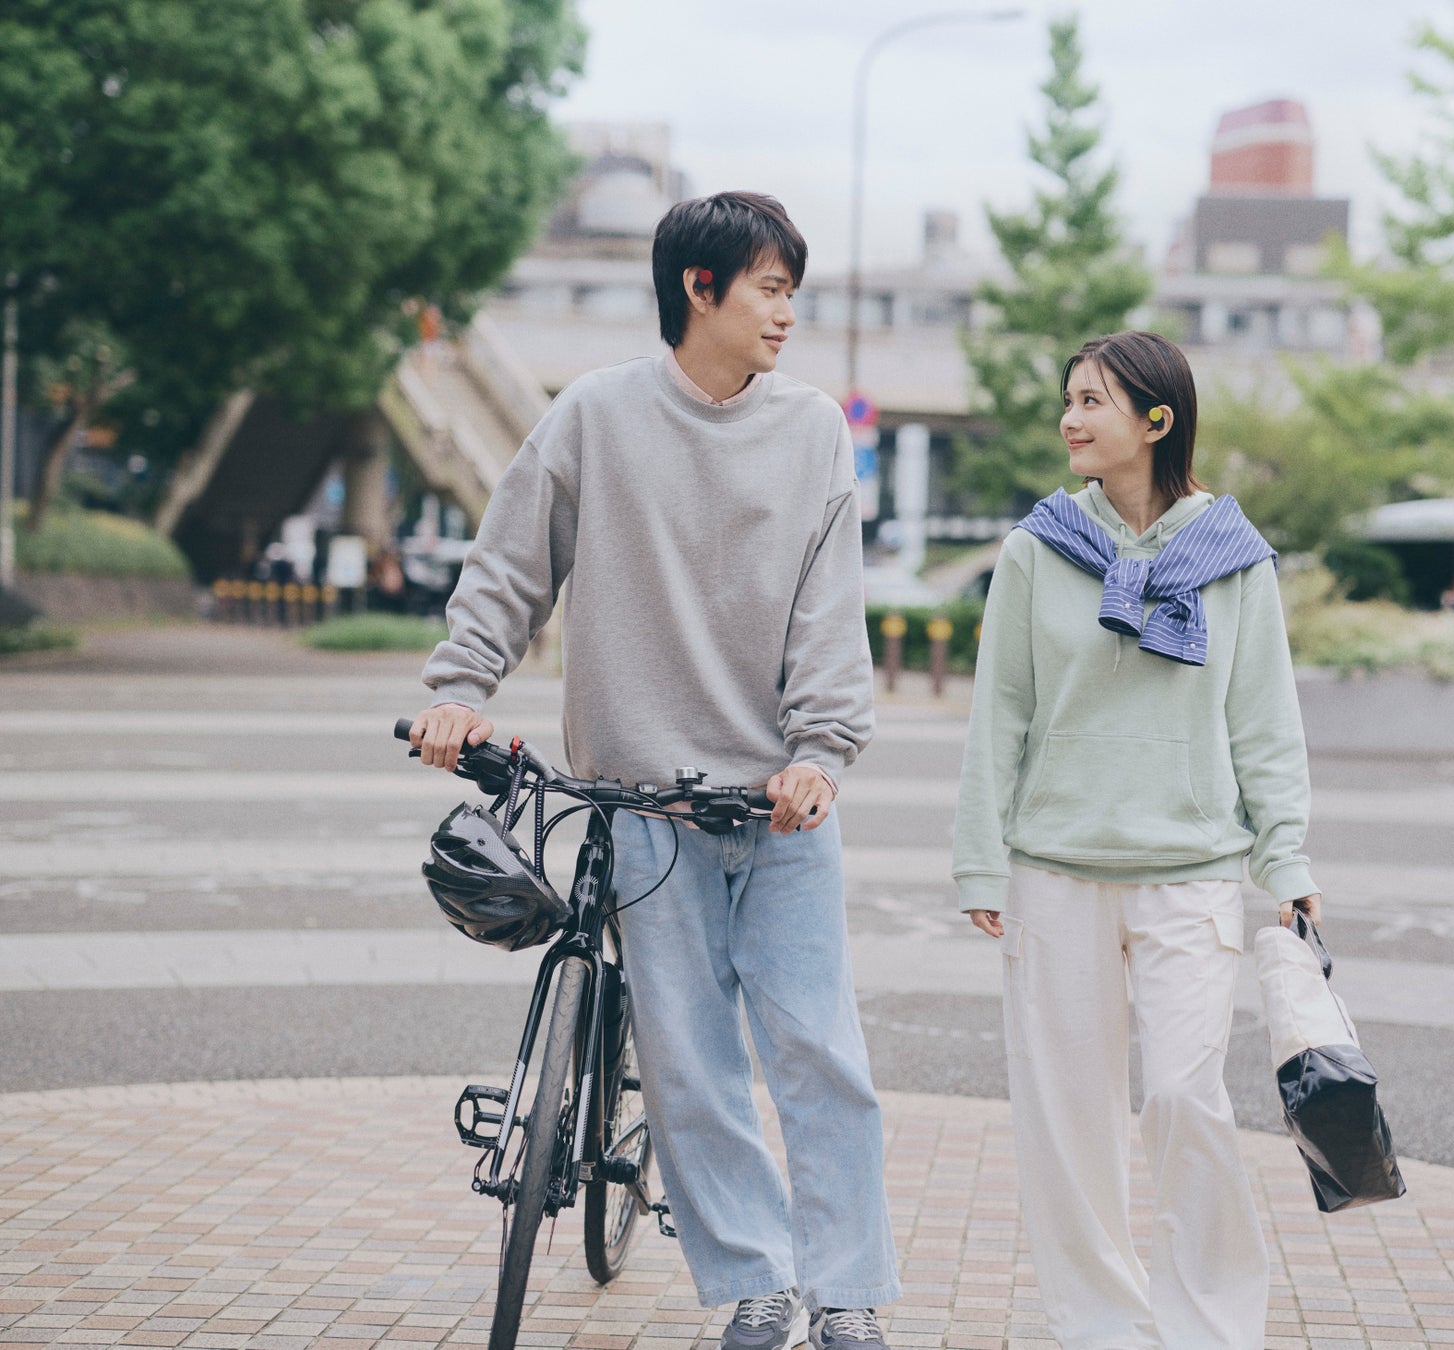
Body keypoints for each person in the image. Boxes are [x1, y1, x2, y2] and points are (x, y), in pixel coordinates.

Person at [410, 191, 900, 1350]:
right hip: (645, 809)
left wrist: (823, 751)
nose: (787, 311)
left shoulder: (813, 430)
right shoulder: (595, 417)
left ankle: (844, 1299)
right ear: (701, 287)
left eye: (792, 289)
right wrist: (458, 689)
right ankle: (756, 1283)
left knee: (823, 1055)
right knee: (690, 1066)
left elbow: (832, 613)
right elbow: (509, 562)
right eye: (771, 287)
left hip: (784, 807)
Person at [952, 331, 1322, 1349]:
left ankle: (1211, 1326)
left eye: (1093, 401)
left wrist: (1285, 859)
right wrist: (981, 856)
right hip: (1054, 871)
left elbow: (1265, 721)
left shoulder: (1235, 561)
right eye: (1067, 401)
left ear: (1157, 421)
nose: (1071, 419)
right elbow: (1002, 717)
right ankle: (1103, 1327)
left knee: (1183, 1099)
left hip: (1191, 873)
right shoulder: (1036, 549)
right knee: (1068, 1125)